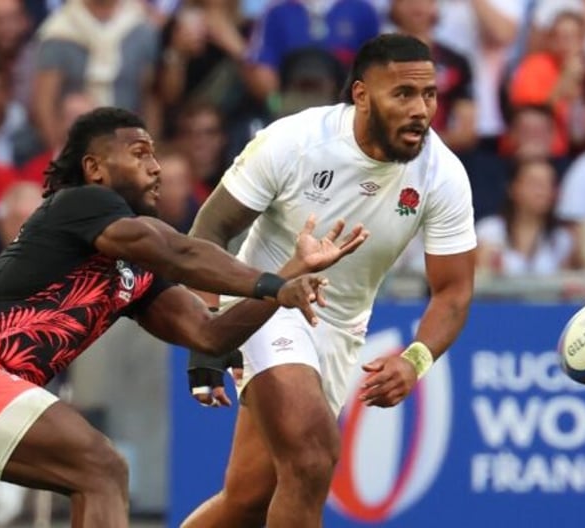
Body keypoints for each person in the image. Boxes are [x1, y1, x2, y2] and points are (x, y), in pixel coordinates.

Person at [0, 107, 368, 528]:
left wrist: (287, 279)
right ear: (95, 168)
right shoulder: (79, 204)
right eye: (139, 153)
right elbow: (174, 249)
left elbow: (208, 332)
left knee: (99, 470)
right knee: (102, 468)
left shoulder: (137, 273)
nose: (155, 167)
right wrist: (272, 284)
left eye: (155, 153)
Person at [182, 34, 477, 528]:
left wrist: (416, 359)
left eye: (428, 95)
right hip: (266, 298)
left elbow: (453, 290)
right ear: (361, 95)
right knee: (313, 456)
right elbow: (209, 230)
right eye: (402, 94)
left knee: (249, 499)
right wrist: (209, 334)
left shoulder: (441, 174)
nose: (420, 110)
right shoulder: (295, 142)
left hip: (340, 328)